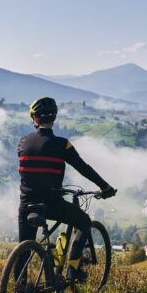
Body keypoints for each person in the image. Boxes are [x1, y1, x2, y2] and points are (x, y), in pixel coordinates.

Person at [18, 96, 116, 282]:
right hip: (52, 203)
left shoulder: (23, 142)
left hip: (27, 204)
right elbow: (83, 168)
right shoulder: (63, 145)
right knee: (84, 222)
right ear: (54, 118)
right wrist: (105, 187)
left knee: (23, 249)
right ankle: (73, 270)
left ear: (34, 119)